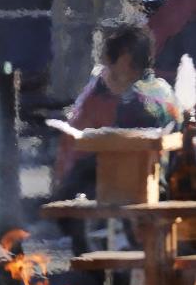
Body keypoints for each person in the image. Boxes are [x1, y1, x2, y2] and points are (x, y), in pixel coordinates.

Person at [53, 20, 181, 198]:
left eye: (111, 59)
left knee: (78, 176)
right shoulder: (164, 90)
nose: (106, 69)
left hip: (139, 193)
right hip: (163, 187)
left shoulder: (135, 103)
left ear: (126, 57)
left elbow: (120, 154)